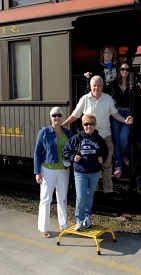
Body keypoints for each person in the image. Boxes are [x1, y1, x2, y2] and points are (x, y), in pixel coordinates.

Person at [61, 75, 133, 199]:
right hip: (89, 138)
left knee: (107, 163)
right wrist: (62, 125)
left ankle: (108, 190)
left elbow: (115, 114)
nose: (96, 88)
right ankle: (93, 189)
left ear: (102, 86)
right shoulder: (84, 99)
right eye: (94, 85)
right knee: (91, 163)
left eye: (99, 85)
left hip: (105, 136)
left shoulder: (107, 98)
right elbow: (75, 115)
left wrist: (125, 120)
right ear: (90, 86)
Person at [62, 114, 108, 230]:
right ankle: (79, 220)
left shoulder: (99, 139)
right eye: (86, 124)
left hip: (95, 172)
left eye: (91, 123)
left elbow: (105, 151)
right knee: (81, 197)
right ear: (82, 125)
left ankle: (87, 217)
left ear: (95, 124)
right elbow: (65, 151)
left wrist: (103, 157)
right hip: (80, 172)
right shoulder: (76, 138)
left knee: (90, 196)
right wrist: (73, 157)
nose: (89, 126)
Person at [34, 107, 73, 238]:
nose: (57, 117)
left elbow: (73, 149)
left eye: (59, 115)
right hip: (47, 170)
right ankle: (43, 227)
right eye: (54, 115)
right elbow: (37, 153)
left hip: (63, 170)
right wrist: (37, 172)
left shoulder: (68, 133)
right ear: (50, 117)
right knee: (46, 199)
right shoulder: (44, 132)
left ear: (62, 117)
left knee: (62, 198)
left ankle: (63, 225)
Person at [111, 62, 141, 178]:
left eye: (127, 69)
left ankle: (124, 154)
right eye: (122, 69)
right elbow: (108, 95)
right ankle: (118, 167)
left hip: (127, 114)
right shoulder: (114, 83)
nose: (124, 71)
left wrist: (140, 83)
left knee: (124, 137)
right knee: (116, 139)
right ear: (119, 70)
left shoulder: (133, 83)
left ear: (130, 71)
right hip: (116, 112)